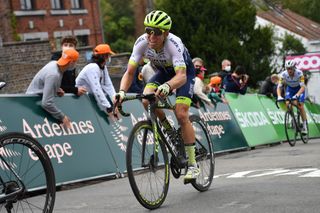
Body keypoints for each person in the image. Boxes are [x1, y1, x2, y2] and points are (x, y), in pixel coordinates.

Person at [114, 10, 199, 181]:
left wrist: (168, 86)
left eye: (156, 32)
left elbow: (181, 76)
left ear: (166, 33)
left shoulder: (174, 44)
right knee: (146, 99)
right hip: (162, 72)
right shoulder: (141, 43)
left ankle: (193, 165)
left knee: (181, 113)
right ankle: (169, 130)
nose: (151, 36)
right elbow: (130, 72)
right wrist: (122, 91)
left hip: (183, 74)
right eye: (148, 30)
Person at [26, 49, 79, 128]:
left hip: (35, 100)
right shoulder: (54, 74)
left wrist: (56, 89)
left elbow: (45, 82)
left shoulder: (55, 64)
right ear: (71, 62)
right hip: (33, 102)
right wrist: (63, 117)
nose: (76, 64)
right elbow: (46, 103)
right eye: (76, 62)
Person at [76, 44, 116, 116]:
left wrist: (115, 98)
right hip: (79, 98)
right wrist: (108, 107)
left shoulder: (103, 67)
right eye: (108, 55)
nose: (109, 57)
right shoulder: (93, 67)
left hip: (87, 97)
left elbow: (107, 84)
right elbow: (97, 90)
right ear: (103, 56)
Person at [277, 60, 307, 134]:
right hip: (290, 89)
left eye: (290, 68)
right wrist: (279, 96)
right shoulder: (283, 74)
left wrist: (297, 95)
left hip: (299, 89)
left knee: (300, 106)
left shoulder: (300, 73)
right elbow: (279, 87)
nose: (289, 70)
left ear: (294, 68)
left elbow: (303, 87)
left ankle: (304, 126)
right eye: (287, 68)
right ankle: (292, 118)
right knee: (288, 103)